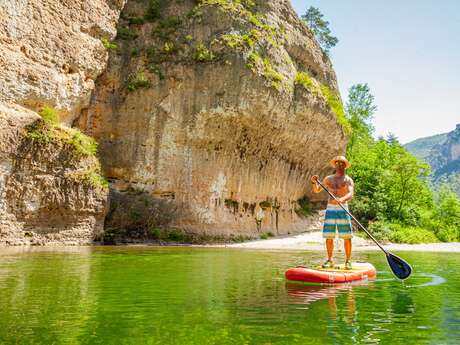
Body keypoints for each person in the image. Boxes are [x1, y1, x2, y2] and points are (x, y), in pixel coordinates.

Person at [310, 156, 354, 269]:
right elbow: (316, 190)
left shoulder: (348, 180)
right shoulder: (328, 179)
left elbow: (350, 193)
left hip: (342, 208)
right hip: (330, 209)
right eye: (337, 163)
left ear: (345, 165)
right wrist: (314, 182)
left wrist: (341, 199)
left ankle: (348, 261)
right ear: (335, 165)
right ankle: (330, 260)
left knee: (347, 236)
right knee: (329, 236)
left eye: (341, 163)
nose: (339, 165)